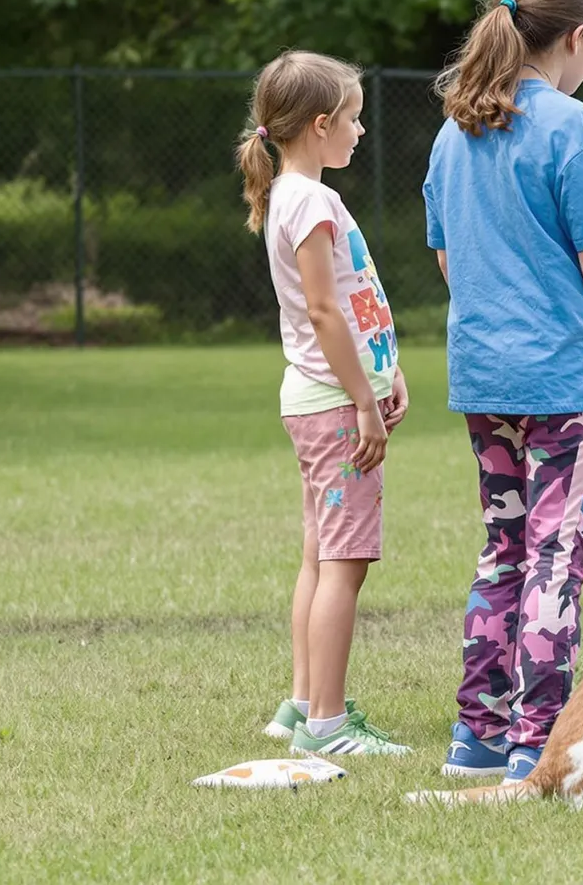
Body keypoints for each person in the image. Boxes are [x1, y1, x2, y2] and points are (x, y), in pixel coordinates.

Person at [423, 0, 583, 784]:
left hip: (484, 377)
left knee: (504, 549)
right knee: (556, 555)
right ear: (577, 38)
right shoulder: (568, 125)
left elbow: (447, 256)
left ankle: (476, 736)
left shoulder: (457, 129)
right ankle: (538, 736)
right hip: (560, 380)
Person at [240, 50, 411, 756]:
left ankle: (301, 704)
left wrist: (387, 371)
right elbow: (324, 311)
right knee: (345, 562)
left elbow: (353, 296)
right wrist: (365, 403)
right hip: (335, 407)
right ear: (319, 125)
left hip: (324, 398)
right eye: (353, 119)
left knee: (320, 554)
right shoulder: (308, 200)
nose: (361, 132)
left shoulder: (299, 194)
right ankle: (329, 726)